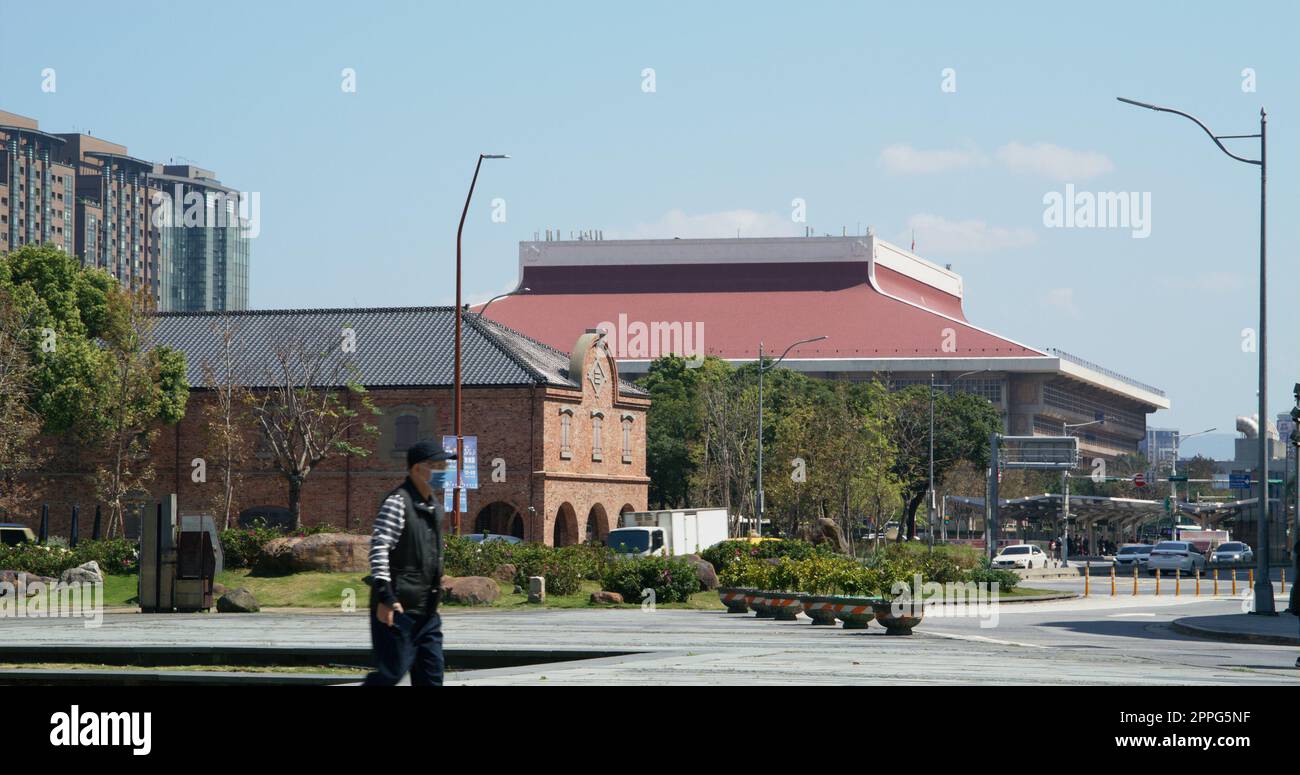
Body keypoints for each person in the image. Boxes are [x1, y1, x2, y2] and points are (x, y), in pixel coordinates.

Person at [362, 439, 454, 686]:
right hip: (398, 610)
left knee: (432, 678)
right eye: (437, 465)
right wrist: (386, 597)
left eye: (445, 465)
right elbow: (379, 549)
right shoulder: (397, 502)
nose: (443, 471)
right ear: (416, 469)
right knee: (390, 674)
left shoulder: (433, 506)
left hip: (427, 612)